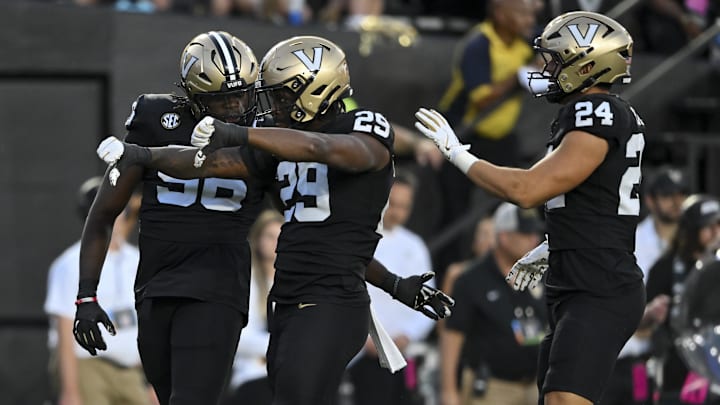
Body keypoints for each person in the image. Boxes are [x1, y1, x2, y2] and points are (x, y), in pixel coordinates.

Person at [93, 35, 454, 405]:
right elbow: (209, 164)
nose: (274, 105)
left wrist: (240, 132)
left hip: (333, 298)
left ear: (315, 89)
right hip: (288, 299)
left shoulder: (361, 125)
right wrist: (140, 153)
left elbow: (327, 149)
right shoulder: (281, 146)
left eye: (282, 95)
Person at [416, 11, 647, 405]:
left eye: (556, 60)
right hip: (579, 281)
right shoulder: (594, 114)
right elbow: (596, 200)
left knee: (564, 400)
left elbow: (527, 190)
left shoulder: (596, 111)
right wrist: (555, 243)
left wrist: (457, 154)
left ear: (588, 66)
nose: (547, 68)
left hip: (598, 286)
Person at [72, 31, 269, 405]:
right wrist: (86, 295)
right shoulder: (154, 116)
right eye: (222, 99)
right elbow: (104, 212)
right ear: (192, 97)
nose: (235, 107)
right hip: (157, 286)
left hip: (218, 285)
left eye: (240, 94)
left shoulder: (264, 130)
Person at [432, 0, 541, 273]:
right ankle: (447, 276)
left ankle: (499, 273)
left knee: (512, 204)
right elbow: (481, 100)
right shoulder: (479, 44)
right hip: (462, 134)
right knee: (454, 214)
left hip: (501, 137)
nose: (529, 19)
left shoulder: (525, 44)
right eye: (522, 13)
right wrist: (517, 77)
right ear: (499, 13)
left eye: (531, 13)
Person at [44, 177, 154, 405]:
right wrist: (70, 392)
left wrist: (155, 381)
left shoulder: (137, 260)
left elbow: (149, 322)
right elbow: (65, 330)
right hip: (89, 367)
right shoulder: (70, 263)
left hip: (131, 370)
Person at [440, 202, 547, 405]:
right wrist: (449, 391)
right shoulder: (471, 279)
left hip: (536, 385)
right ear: (504, 237)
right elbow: (452, 335)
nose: (534, 240)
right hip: (492, 388)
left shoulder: (542, 274)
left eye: (535, 233)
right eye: (526, 234)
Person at [347, 170, 436, 405]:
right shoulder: (355, 237)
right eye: (393, 204)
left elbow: (427, 299)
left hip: (401, 353)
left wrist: (408, 335)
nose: (397, 212)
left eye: (404, 207)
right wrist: (361, 337)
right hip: (358, 351)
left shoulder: (414, 246)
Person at [603, 166, 689, 405]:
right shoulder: (633, 242)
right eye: (668, 195)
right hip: (635, 357)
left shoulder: (693, 243)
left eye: (681, 194)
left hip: (680, 358)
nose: (676, 201)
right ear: (650, 200)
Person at [645, 194, 720, 404]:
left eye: (719, 225)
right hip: (677, 369)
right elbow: (641, 323)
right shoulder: (664, 268)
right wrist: (654, 313)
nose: (716, 233)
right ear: (691, 230)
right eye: (709, 226)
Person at [223, 209, 284, 405]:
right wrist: (284, 348)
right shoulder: (245, 282)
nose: (275, 243)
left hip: (289, 375)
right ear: (258, 239)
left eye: (280, 237)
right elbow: (239, 338)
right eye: (270, 236)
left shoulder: (296, 285)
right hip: (253, 376)